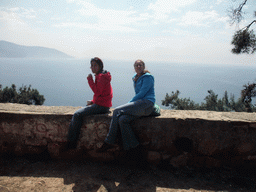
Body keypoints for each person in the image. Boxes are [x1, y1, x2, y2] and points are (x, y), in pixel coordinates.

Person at [97, 59, 155, 157]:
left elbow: (142, 94)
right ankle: (133, 147)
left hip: (146, 104)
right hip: (140, 105)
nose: (138, 67)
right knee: (122, 120)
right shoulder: (135, 78)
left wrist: (129, 103)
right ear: (134, 68)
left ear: (144, 67)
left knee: (116, 111)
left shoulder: (148, 77)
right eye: (136, 65)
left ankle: (109, 140)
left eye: (140, 65)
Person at [62, 57, 113, 151]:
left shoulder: (101, 77)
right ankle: (72, 142)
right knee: (82, 111)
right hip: (102, 104)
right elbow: (103, 93)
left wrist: (90, 80)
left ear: (100, 66)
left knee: (77, 114)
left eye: (95, 65)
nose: (93, 67)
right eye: (92, 65)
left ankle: (71, 143)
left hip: (101, 106)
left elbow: (97, 91)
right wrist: (93, 102)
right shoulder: (102, 75)